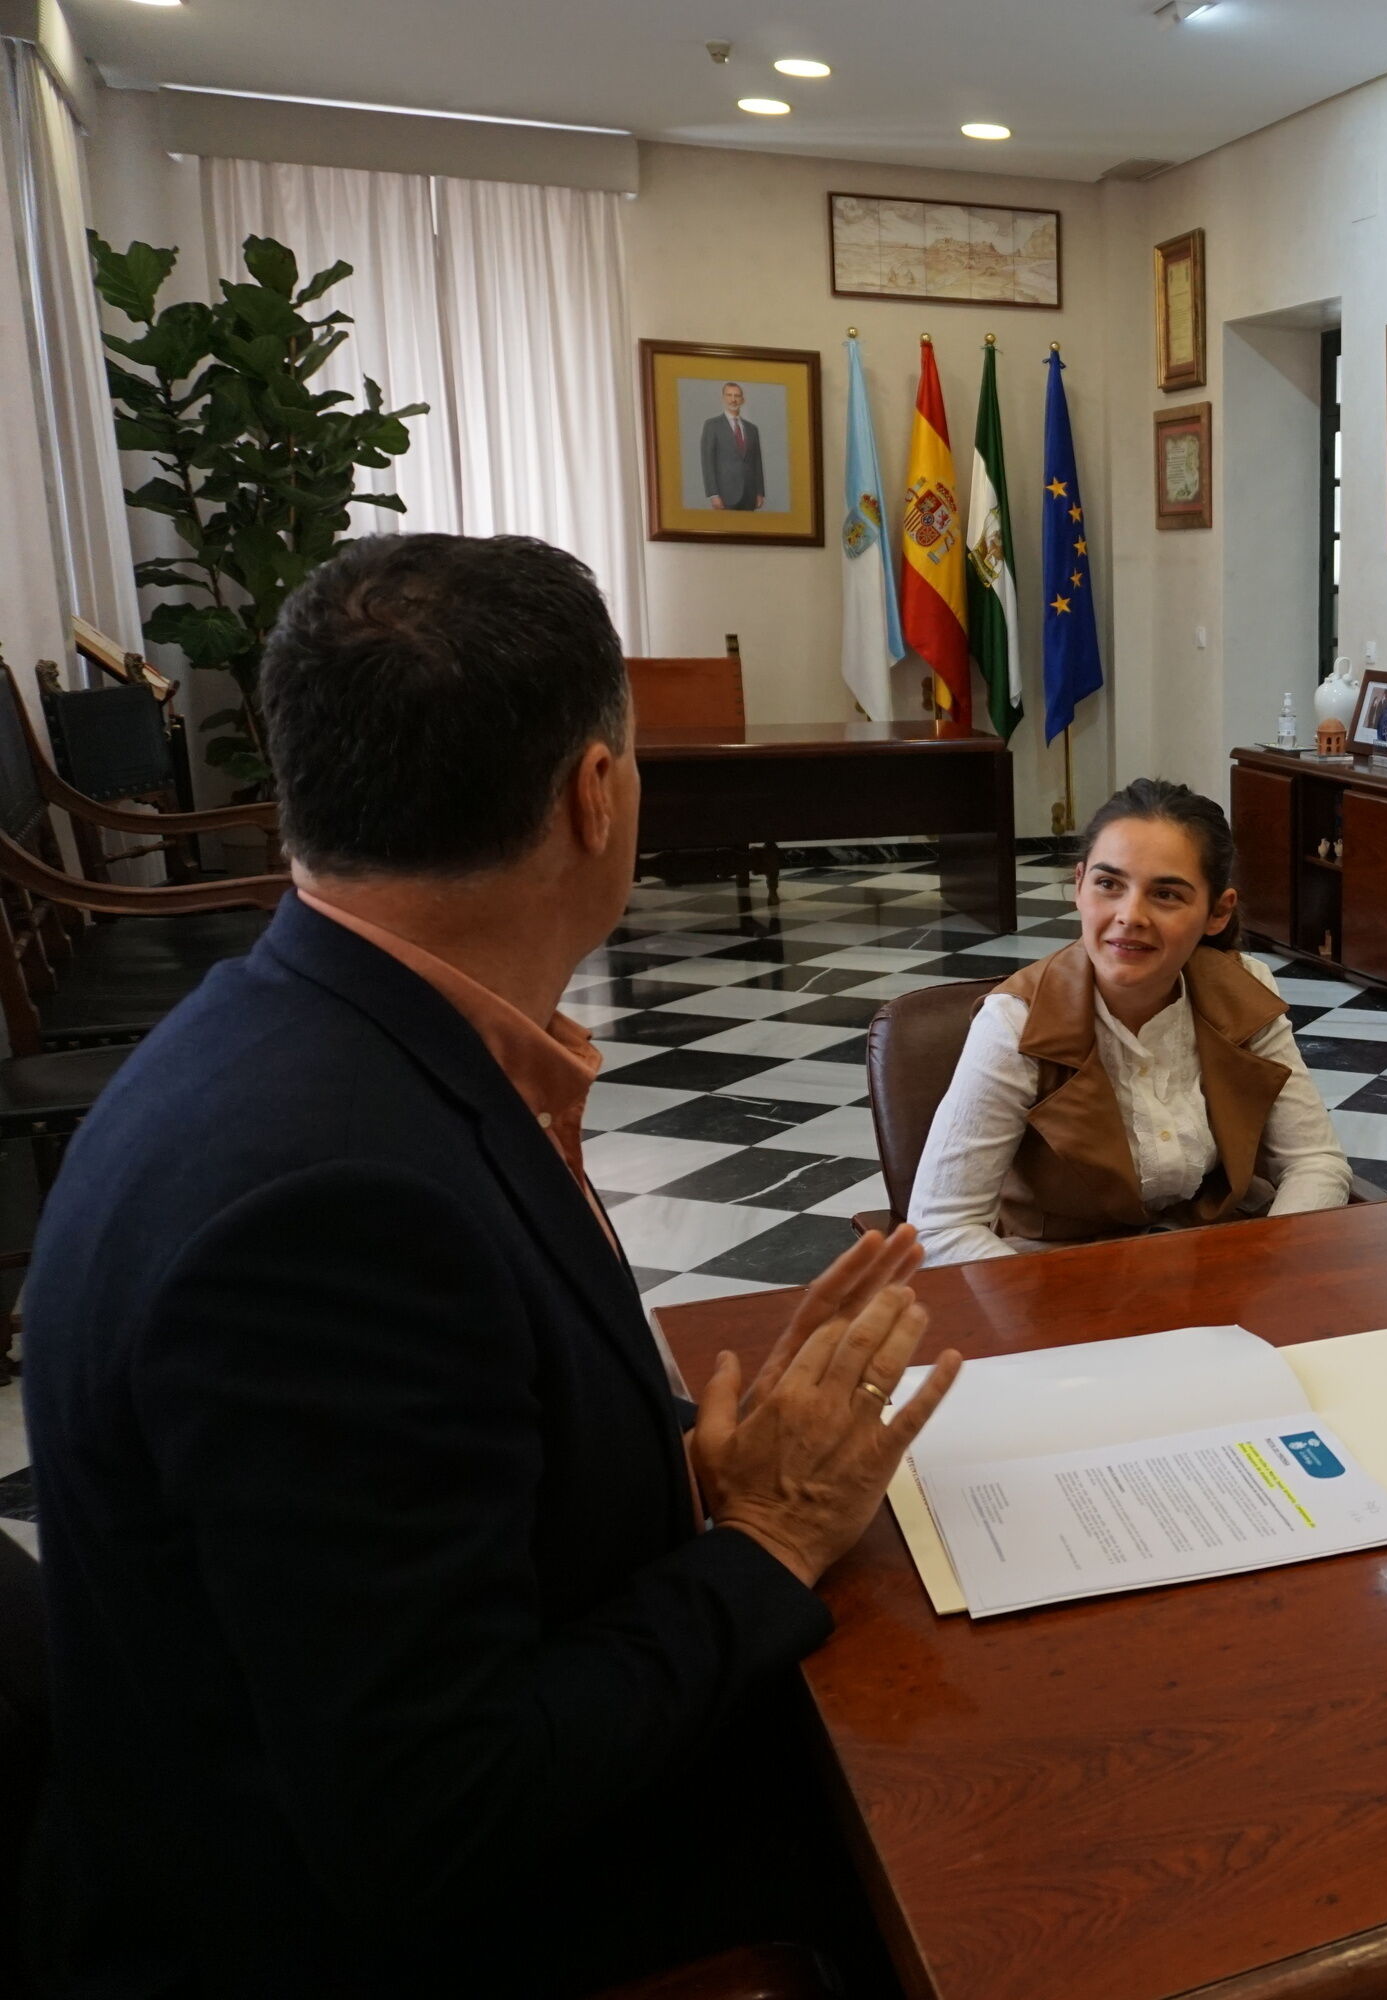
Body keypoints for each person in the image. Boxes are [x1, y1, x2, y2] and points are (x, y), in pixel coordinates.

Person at [21, 534, 961, 1997]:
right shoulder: (328, 1216)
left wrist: (681, 1482)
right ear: (597, 793)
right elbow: (438, 1816)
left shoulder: (300, 1031)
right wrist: (763, 1541)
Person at [908, 778, 1352, 1263]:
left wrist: (1269, 1268)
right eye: (1108, 884)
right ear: (1078, 886)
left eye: (1166, 894)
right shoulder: (1015, 1025)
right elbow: (941, 1229)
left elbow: (1314, 1162)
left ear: (1218, 912)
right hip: (1051, 1276)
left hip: (1211, 1259)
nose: (1129, 915)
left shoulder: (1246, 991)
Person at [700, 379, 765, 511]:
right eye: (729, 395)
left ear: (742, 400)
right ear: (723, 398)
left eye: (737, 396)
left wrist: (760, 492)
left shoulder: (752, 429)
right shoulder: (712, 426)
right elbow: (708, 462)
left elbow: (757, 462)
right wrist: (713, 494)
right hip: (724, 495)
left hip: (749, 494)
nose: (733, 399)